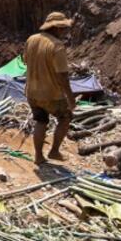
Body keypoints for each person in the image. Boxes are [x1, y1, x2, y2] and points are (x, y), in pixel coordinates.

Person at [24, 11, 76, 165]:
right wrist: (71, 98)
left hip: (32, 92)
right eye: (63, 29)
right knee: (65, 117)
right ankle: (54, 151)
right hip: (51, 94)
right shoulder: (57, 46)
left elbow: (26, 60)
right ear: (57, 28)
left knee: (41, 121)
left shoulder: (31, 39)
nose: (64, 32)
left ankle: (38, 156)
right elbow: (63, 76)